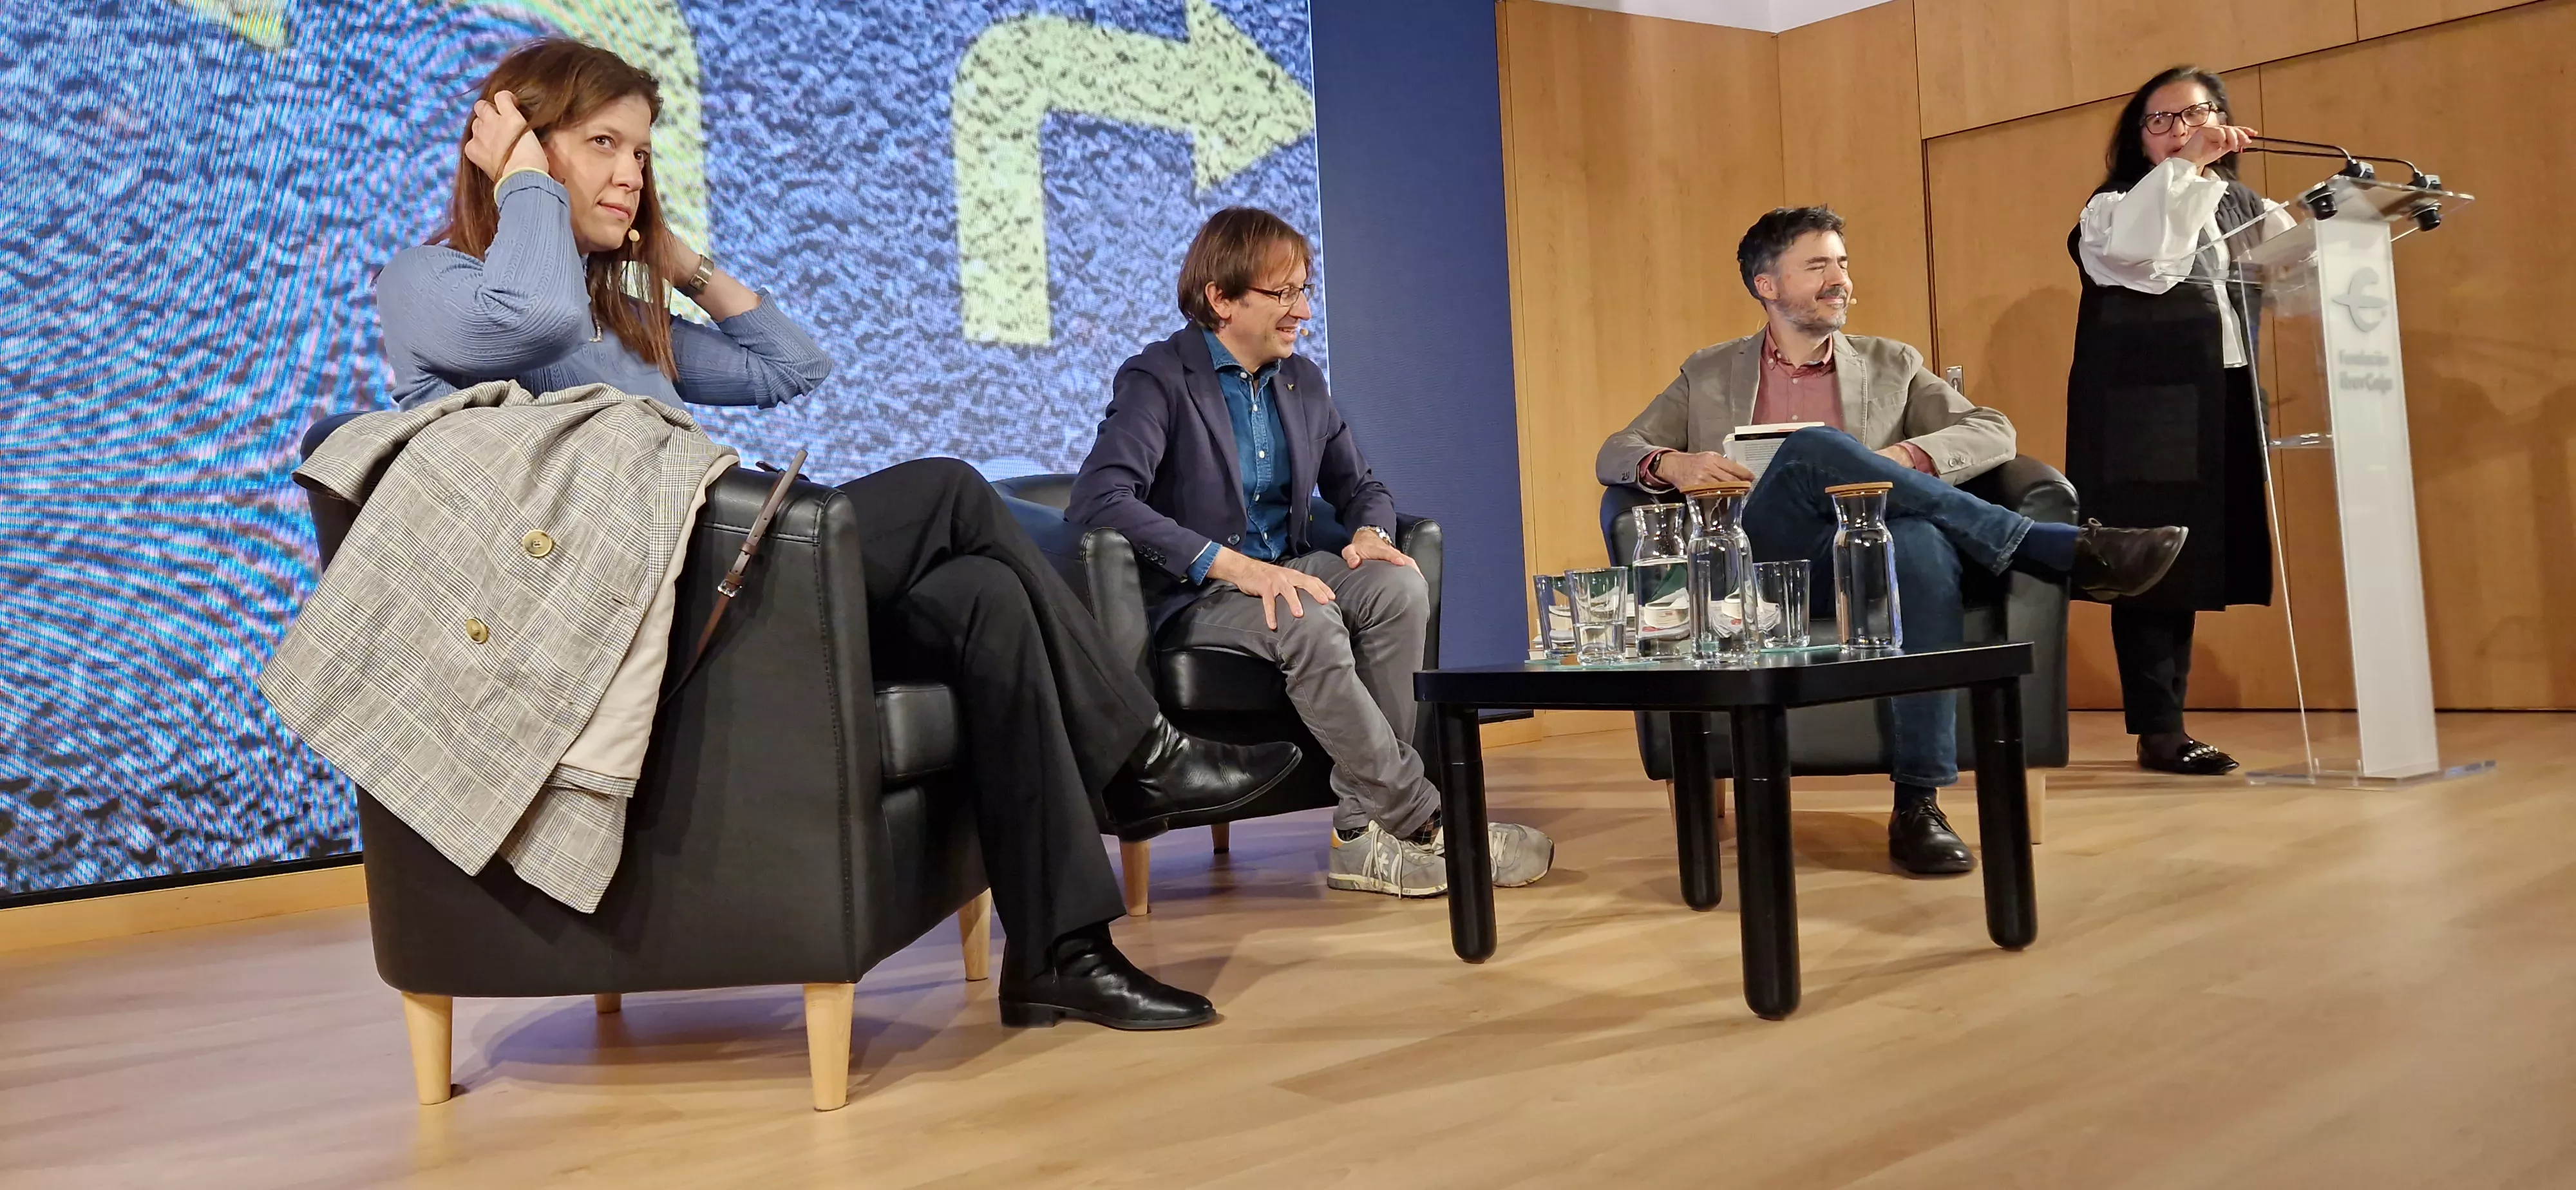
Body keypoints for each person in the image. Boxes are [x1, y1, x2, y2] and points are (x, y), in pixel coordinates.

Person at [367, 39, 1307, 1031]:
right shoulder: (432, 284)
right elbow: (535, 314)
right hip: (637, 614)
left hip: (726, 582)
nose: (629, 174)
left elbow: (790, 368)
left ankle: (1061, 955)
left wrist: (679, 262)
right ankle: (1142, 749)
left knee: (986, 602)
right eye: (601, 144)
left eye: (641, 153)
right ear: (514, 142)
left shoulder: (619, 317)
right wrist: (519, 184)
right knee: (950, 489)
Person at [1599, 206, 2191, 875]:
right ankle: (2048, 548)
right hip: (1759, 564)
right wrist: (1670, 465)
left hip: (1860, 555)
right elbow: (1618, 450)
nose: (1840, 280)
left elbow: (1993, 431)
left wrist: (1903, 459)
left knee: (1915, 546)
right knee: (1817, 448)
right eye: (1818, 265)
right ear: (1767, 286)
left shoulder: (1892, 363)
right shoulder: (1707, 374)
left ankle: (1918, 802)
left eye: (1843, 264)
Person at [1069, 207, 1553, 898]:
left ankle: (1362, 833)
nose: (1303, 309)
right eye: (1284, 293)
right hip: (1194, 597)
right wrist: (1232, 565)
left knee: (1396, 588)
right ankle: (1424, 823)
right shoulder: (1159, 378)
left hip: (1287, 571)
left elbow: (1361, 487)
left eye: (1304, 288)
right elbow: (1098, 500)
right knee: (1304, 612)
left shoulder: (1302, 382)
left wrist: (1369, 536)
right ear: (1221, 298)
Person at [2069, 66, 2289, 776]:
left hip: (2222, 393)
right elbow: (2149, 259)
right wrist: (2189, 167)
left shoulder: (2243, 203)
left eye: (2192, 116)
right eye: (2158, 121)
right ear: (2138, 138)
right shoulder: (2111, 207)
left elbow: (2293, 268)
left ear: (2224, 121)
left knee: (2201, 556)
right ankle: (2160, 730)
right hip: (2144, 410)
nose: (2176, 131)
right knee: (2153, 563)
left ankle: (2169, 720)